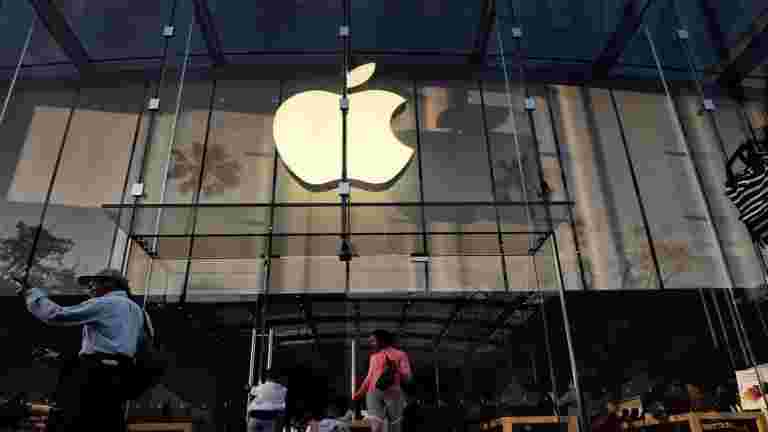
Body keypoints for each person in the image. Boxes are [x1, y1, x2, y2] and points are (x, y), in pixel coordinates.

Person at [12, 268, 144, 432]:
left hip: (95, 376)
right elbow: (130, 347)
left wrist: (31, 293)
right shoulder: (138, 311)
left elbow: (56, 315)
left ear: (109, 283)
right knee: (107, 420)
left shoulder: (105, 303)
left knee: (71, 420)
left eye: (93, 282)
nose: (89, 286)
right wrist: (63, 358)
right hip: (122, 375)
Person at [352, 330, 412, 432]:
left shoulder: (378, 357)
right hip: (388, 393)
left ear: (382, 340)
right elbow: (408, 377)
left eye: (373, 341)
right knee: (394, 427)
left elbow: (368, 379)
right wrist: (358, 394)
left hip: (379, 393)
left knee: (378, 428)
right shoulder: (399, 354)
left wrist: (358, 394)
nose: (371, 344)